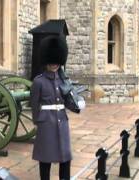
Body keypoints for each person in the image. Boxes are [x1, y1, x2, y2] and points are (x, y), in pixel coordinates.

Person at [31, 35, 84, 180]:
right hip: (46, 122)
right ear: (46, 61)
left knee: (65, 156)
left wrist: (76, 103)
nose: (54, 64)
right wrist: (38, 121)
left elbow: (68, 100)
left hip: (62, 119)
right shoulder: (39, 81)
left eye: (56, 62)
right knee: (46, 157)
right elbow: (34, 104)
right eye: (51, 62)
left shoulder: (63, 79)